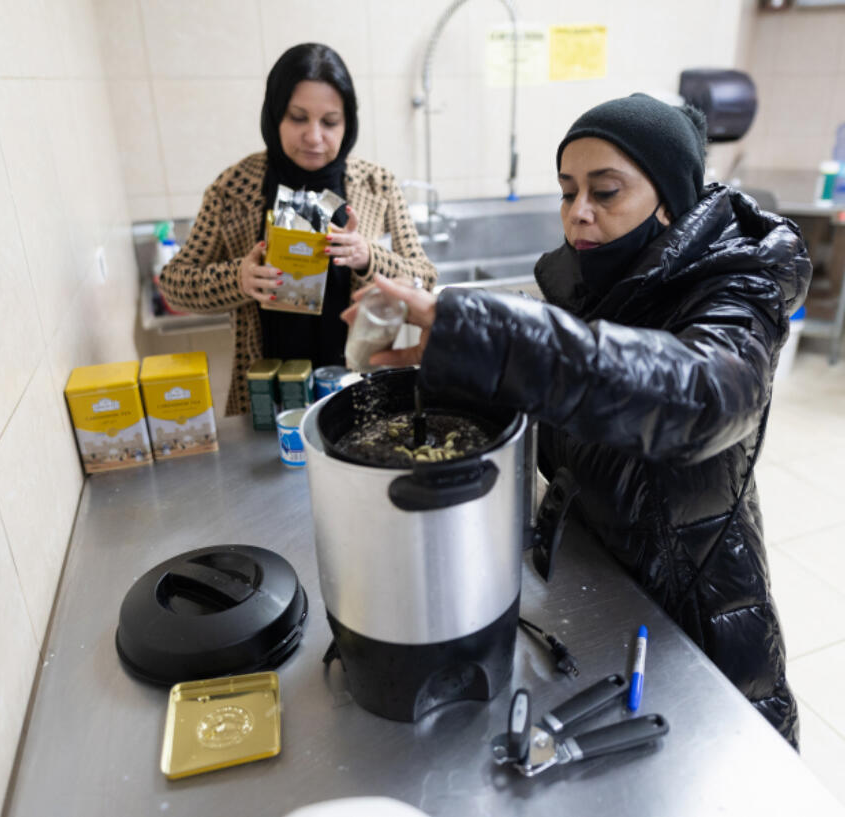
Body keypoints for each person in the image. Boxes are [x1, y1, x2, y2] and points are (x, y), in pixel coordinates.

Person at [344, 94, 811, 747]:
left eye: (606, 191)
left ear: (670, 201)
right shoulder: (589, 284)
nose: (578, 213)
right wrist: (450, 361)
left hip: (694, 612)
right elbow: (560, 379)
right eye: (567, 192)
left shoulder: (736, 289)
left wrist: (483, 335)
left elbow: (695, 393)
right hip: (603, 585)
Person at [159, 43, 435, 416]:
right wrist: (239, 278)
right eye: (298, 118)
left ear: (348, 123)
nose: (314, 136)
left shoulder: (377, 186)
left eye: (330, 121)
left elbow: (425, 280)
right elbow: (175, 284)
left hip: (361, 389)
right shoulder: (233, 189)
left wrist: (369, 256)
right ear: (275, 116)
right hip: (266, 398)